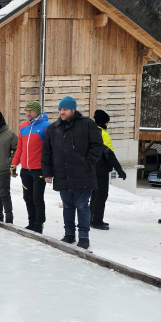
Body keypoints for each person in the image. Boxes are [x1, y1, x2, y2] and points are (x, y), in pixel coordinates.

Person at [41, 96, 104, 249]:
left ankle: (83, 236)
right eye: (60, 109)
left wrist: (88, 163)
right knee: (68, 206)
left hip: (83, 174)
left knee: (82, 206)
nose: (62, 112)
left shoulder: (87, 125)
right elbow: (47, 152)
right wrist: (47, 172)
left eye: (65, 109)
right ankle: (69, 234)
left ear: (73, 110)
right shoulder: (53, 128)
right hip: (62, 174)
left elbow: (97, 146)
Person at [11, 100, 50, 233]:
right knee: (27, 197)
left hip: (38, 169)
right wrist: (14, 164)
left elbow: (50, 149)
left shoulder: (46, 126)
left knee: (37, 198)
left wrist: (49, 169)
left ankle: (39, 224)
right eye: (26, 111)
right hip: (25, 170)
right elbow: (20, 148)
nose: (27, 113)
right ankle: (31, 222)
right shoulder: (23, 127)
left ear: (37, 112)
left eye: (30, 111)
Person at [90, 109, 127, 230]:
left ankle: (91, 219)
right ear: (105, 123)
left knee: (94, 194)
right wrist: (119, 169)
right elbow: (108, 154)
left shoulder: (91, 131)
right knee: (101, 195)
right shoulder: (103, 134)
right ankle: (97, 221)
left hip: (91, 168)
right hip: (101, 169)